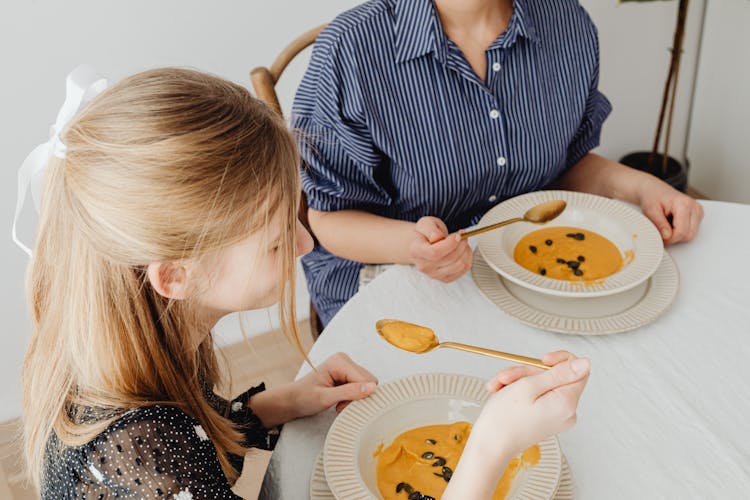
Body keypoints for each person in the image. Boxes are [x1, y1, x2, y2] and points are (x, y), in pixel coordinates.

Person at [17, 66, 589, 499]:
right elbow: (178, 455)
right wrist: (490, 449)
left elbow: (191, 432)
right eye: (274, 239)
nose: (305, 244)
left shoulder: (133, 337)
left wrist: (267, 408)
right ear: (175, 276)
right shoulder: (144, 464)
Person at [292, 0, 704, 326]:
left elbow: (564, 164)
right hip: (390, 270)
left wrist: (643, 187)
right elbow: (330, 218)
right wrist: (411, 245)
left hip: (522, 265)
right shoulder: (350, 49)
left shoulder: (567, 24)